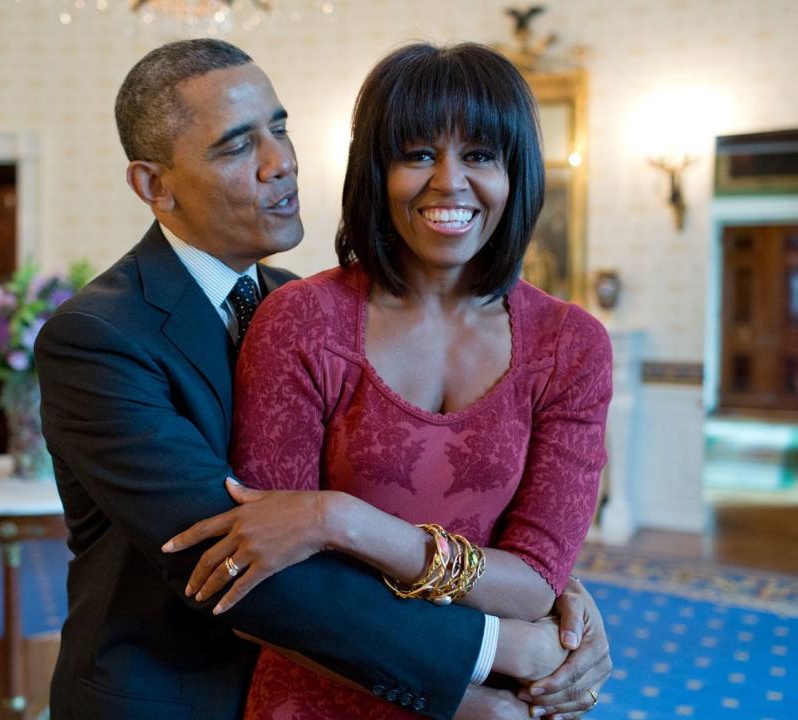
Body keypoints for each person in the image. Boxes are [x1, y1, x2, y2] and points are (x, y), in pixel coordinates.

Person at [164, 42, 613, 718]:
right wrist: (461, 698)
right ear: (377, 170)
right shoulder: (302, 321)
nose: (450, 182)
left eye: (481, 155)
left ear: (516, 172)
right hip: (322, 696)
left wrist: (336, 520)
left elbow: (534, 586)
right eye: (419, 154)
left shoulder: (571, 347)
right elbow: (264, 591)